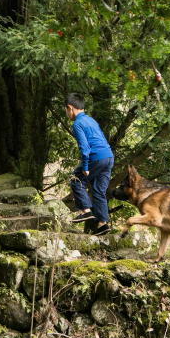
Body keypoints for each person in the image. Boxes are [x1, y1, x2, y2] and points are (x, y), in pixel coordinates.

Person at [65, 93, 115, 235]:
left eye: (66, 111)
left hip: (96, 157)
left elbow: (85, 147)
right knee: (99, 190)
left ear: (70, 108)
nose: (67, 114)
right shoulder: (91, 120)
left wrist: (86, 167)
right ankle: (102, 224)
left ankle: (86, 211)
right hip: (109, 157)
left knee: (75, 179)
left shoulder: (77, 123)